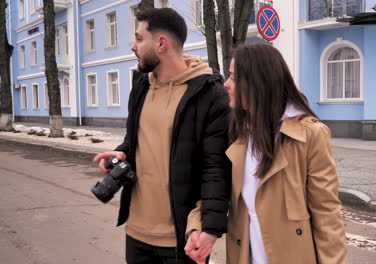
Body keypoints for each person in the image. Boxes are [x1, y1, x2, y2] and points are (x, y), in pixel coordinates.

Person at [93, 8, 230, 264]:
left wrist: (209, 228)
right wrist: (122, 152)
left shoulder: (210, 94)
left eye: (139, 38)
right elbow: (137, 139)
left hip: (181, 239)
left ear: (161, 43)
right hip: (136, 233)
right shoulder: (142, 86)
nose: (133, 46)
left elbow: (216, 168)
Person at [223, 44, 348, 264]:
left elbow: (326, 212)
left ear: (256, 82)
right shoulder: (237, 131)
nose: (226, 85)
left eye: (233, 77)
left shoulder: (310, 134)